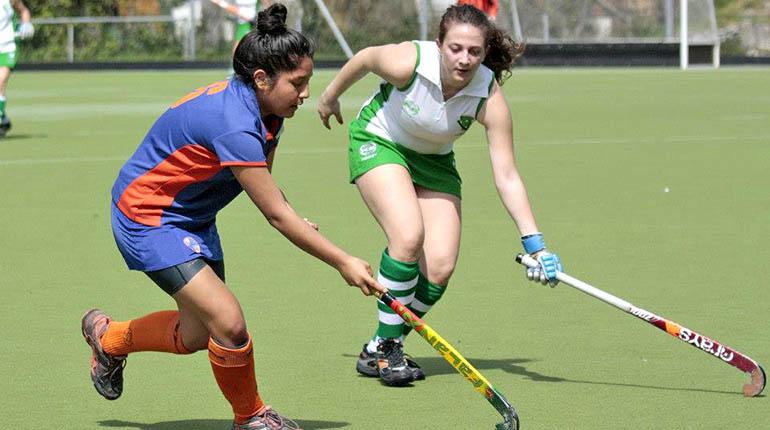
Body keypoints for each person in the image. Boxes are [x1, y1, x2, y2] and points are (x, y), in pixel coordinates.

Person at [81, 4, 384, 430]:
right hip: (147, 215)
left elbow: (266, 186)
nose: (305, 93)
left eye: (308, 82)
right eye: (298, 83)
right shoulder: (234, 122)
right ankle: (252, 417)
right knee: (229, 324)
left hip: (191, 215)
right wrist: (343, 261)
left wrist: (291, 214)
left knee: (197, 335)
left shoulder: (271, 111)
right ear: (262, 79)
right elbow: (275, 215)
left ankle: (109, 338)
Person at [317, 4, 562, 387]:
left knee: (441, 266)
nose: (464, 59)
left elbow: (507, 175)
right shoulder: (409, 63)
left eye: (474, 52)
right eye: (456, 49)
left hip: (435, 162)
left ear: (484, 54)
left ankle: (382, 342)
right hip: (381, 140)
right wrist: (330, 96)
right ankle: (387, 353)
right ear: (439, 45)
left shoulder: (488, 94)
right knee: (408, 237)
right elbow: (365, 58)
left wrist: (535, 243)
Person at [0, 0, 33, 137]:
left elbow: (24, 11)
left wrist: (26, 24)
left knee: (0, 83)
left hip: (8, 47)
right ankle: (3, 119)